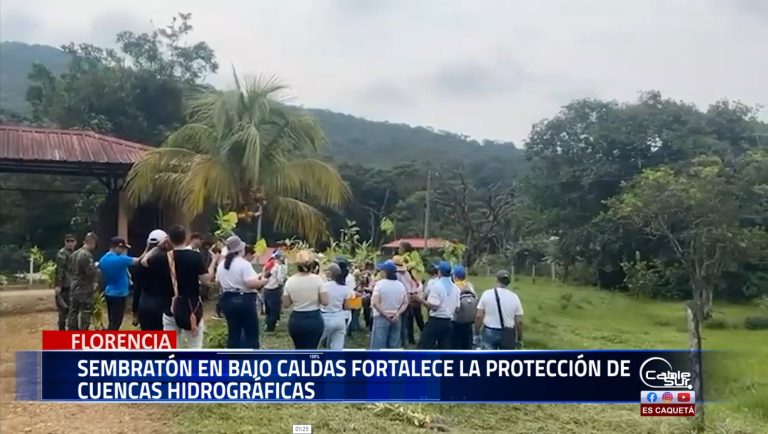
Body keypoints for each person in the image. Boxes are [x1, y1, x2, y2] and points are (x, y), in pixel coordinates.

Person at [142, 225, 216, 348]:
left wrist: (159, 246)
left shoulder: (163, 257)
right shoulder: (194, 257)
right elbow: (206, 280)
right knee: (195, 347)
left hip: (170, 307)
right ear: (186, 238)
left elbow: (144, 261)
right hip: (191, 307)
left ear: (169, 239)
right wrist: (214, 261)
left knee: (170, 348)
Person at [217, 235, 268, 349]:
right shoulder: (244, 264)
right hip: (244, 300)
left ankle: (233, 361)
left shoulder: (221, 265)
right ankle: (250, 360)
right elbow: (250, 283)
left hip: (228, 299)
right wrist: (263, 281)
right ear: (241, 249)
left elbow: (218, 283)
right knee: (251, 333)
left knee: (233, 333)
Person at [283, 250, 328, 349]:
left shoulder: (290, 281)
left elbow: (286, 304)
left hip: (297, 319)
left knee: (299, 350)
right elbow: (325, 301)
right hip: (314, 319)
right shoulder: (318, 280)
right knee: (312, 350)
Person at [98, 237, 141, 330]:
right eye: (122, 248)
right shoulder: (120, 260)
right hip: (119, 294)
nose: (123, 251)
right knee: (116, 322)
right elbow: (139, 260)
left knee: (112, 319)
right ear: (117, 247)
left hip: (108, 291)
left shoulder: (103, 259)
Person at [415, 261, 459, 349]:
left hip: (436, 320)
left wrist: (420, 300)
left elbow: (434, 306)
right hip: (448, 321)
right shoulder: (456, 288)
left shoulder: (436, 286)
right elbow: (457, 308)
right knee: (445, 348)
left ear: (440, 272)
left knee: (423, 346)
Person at [475, 270, 524, 350]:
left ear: (496, 280)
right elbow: (519, 321)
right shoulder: (514, 297)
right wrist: (519, 338)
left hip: (489, 331)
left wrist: (477, 332)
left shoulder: (487, 294)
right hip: (508, 333)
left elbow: (479, 316)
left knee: (489, 360)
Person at [133, 230, 169, 330]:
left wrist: (135, 311)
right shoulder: (167, 260)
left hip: (144, 304)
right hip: (163, 305)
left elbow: (137, 289)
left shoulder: (140, 262)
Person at [370, 261, 408, 349]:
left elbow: (375, 303)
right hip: (396, 317)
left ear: (384, 272)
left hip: (381, 317)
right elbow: (405, 302)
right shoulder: (400, 285)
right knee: (394, 345)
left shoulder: (379, 284)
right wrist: (398, 313)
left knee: (378, 345)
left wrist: (386, 315)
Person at [66, 232, 99, 330]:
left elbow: (70, 270)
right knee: (85, 311)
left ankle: (72, 331)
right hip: (84, 287)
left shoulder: (74, 254)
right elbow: (89, 272)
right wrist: (96, 269)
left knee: (73, 311)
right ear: (92, 242)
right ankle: (83, 332)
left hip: (74, 285)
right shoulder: (87, 255)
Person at [320, 263, 354, 349]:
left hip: (325, 316)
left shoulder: (324, 286)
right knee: (337, 347)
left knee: (315, 343)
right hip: (339, 317)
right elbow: (347, 307)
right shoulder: (344, 288)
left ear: (330, 273)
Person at [451, 265, 477, 349]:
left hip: (456, 319)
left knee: (456, 342)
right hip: (469, 319)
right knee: (467, 342)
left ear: (454, 276)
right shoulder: (470, 285)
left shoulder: (453, 286)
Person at [54, 234, 77, 330]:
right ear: (65, 242)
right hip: (65, 285)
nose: (70, 243)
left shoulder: (74, 253)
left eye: (72, 241)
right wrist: (58, 285)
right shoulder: (62, 254)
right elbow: (60, 270)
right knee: (63, 309)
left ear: (75, 242)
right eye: (68, 241)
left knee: (72, 309)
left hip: (73, 284)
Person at [263, 251, 287, 332]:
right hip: (274, 289)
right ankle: (270, 327)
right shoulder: (278, 267)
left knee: (268, 309)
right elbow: (280, 280)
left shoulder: (268, 264)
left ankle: (267, 324)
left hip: (266, 289)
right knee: (275, 309)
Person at [358, 261, 375, 331]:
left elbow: (362, 284)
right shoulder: (370, 274)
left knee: (366, 310)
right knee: (369, 310)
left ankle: (368, 323)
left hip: (365, 294)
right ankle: (369, 324)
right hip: (369, 294)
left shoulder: (363, 274)